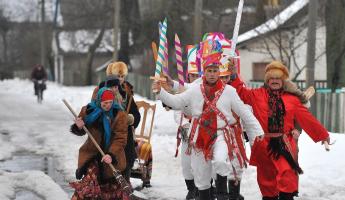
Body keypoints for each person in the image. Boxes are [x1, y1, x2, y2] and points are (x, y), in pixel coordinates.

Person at [152, 39, 264, 200]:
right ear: (204, 72)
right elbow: (176, 102)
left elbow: (245, 113)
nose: (212, 74)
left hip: (221, 135)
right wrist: (160, 92)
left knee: (220, 161)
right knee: (201, 176)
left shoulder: (230, 91)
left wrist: (257, 132)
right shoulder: (195, 89)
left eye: (215, 71)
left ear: (219, 72)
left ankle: (223, 195)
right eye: (209, 71)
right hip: (200, 135)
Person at [229, 60, 330, 200]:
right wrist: (234, 75)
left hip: (285, 143)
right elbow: (241, 93)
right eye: (272, 78)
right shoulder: (257, 95)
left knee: (287, 172)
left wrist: (322, 135)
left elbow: (306, 118)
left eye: (278, 78)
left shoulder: (292, 99)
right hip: (264, 143)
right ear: (267, 80)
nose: (275, 81)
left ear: (283, 81)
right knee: (266, 179)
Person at [69, 88, 129, 200]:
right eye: (105, 103)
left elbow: (120, 138)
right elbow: (81, 131)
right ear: (99, 101)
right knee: (89, 185)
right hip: (92, 153)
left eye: (110, 102)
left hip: (112, 155)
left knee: (111, 189)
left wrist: (111, 155)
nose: (108, 106)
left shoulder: (119, 115)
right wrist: (78, 126)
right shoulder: (88, 110)